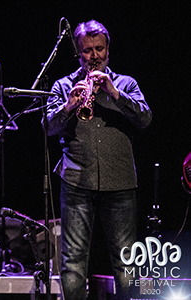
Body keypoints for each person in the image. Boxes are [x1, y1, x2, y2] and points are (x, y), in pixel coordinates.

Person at [45, 20, 152, 299]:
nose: (94, 57)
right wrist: (69, 105)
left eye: (99, 49)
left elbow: (145, 119)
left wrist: (114, 93)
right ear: (79, 53)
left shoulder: (126, 83)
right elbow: (48, 127)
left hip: (120, 182)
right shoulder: (63, 85)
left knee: (126, 261)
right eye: (87, 51)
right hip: (76, 180)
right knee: (73, 263)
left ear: (108, 49)